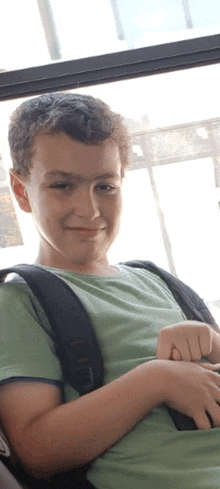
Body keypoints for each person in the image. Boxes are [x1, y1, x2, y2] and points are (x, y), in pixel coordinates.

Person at [0, 92, 220, 489]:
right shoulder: (20, 301)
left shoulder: (160, 282)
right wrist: (156, 379)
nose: (89, 210)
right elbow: (36, 451)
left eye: (105, 186)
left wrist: (213, 346)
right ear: (20, 190)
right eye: (63, 185)